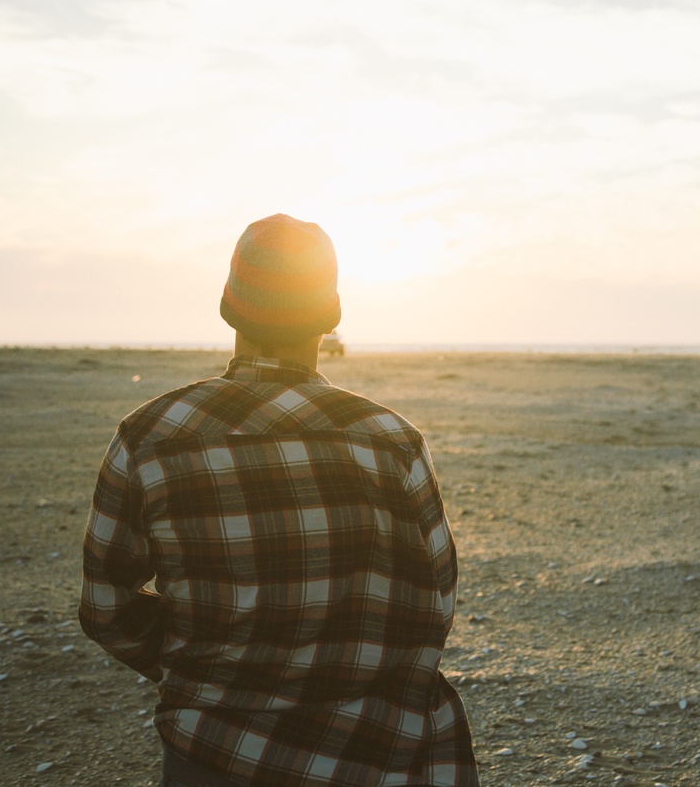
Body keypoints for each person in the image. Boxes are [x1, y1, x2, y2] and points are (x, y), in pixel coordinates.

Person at [80, 214, 477, 787]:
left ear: (228, 309)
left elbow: (106, 609)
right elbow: (432, 608)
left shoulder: (152, 435)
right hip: (372, 751)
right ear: (329, 316)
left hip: (212, 749)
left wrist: (207, 667)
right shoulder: (392, 441)